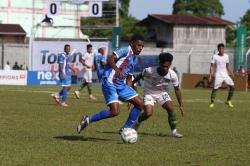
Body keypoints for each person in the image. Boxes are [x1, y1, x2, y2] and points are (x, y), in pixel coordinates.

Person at [76, 34, 146, 135]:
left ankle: (125, 129)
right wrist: (116, 69)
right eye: (139, 45)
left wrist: (131, 95)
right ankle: (88, 120)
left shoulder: (134, 59)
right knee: (115, 111)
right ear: (132, 43)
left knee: (139, 104)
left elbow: (129, 78)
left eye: (142, 46)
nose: (140, 48)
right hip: (110, 82)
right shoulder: (125, 50)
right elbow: (110, 58)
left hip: (121, 85)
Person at [122, 53, 184, 138]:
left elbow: (177, 89)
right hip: (149, 93)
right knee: (148, 113)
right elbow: (135, 80)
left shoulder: (172, 75)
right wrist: (131, 94)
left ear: (170, 64)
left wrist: (181, 105)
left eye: (167, 66)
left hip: (162, 93)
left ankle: (174, 132)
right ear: (159, 63)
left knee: (171, 108)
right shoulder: (149, 70)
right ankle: (136, 124)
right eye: (163, 66)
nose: (165, 68)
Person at [208, 43, 235, 108]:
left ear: (224, 49)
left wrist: (231, 72)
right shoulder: (215, 56)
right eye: (220, 48)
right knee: (215, 89)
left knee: (233, 87)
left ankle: (228, 101)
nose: (221, 50)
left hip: (225, 74)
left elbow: (227, 66)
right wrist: (210, 75)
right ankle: (212, 102)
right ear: (218, 49)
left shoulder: (226, 56)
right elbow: (212, 67)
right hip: (218, 74)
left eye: (222, 48)